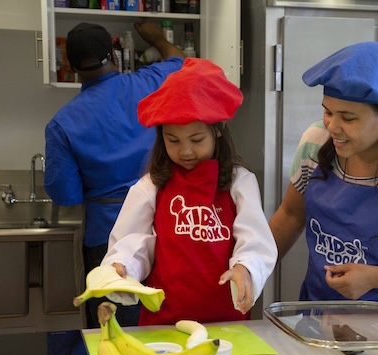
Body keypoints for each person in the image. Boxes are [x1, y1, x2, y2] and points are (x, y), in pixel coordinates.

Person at [269, 42, 378, 313]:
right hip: (318, 317)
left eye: (348, 118)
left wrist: (374, 277)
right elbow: (291, 215)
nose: (332, 127)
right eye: (328, 112)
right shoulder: (316, 144)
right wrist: (252, 268)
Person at [98, 58, 278, 325]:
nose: (186, 151)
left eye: (196, 140)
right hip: (164, 321)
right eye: (173, 140)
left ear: (218, 131)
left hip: (226, 321)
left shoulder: (239, 182)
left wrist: (245, 267)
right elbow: (132, 242)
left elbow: (254, 241)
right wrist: (123, 267)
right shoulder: (152, 185)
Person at [44, 22, 185, 328]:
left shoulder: (62, 123)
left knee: (114, 331)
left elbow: (64, 194)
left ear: (70, 66)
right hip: (166, 224)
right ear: (115, 56)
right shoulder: (150, 82)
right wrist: (158, 38)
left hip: (107, 240)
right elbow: (180, 61)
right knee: (168, 324)